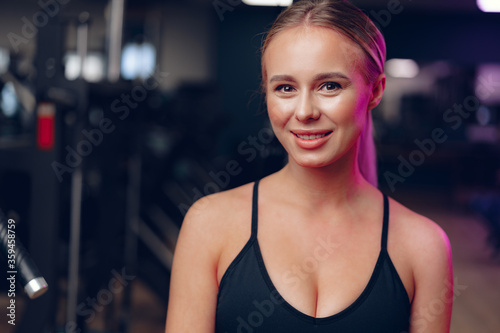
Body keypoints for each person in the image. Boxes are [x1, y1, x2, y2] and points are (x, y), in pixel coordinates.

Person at [165, 0, 453, 332]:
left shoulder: (424, 246)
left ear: (375, 90)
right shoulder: (208, 225)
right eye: (285, 88)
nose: (304, 112)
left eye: (329, 86)